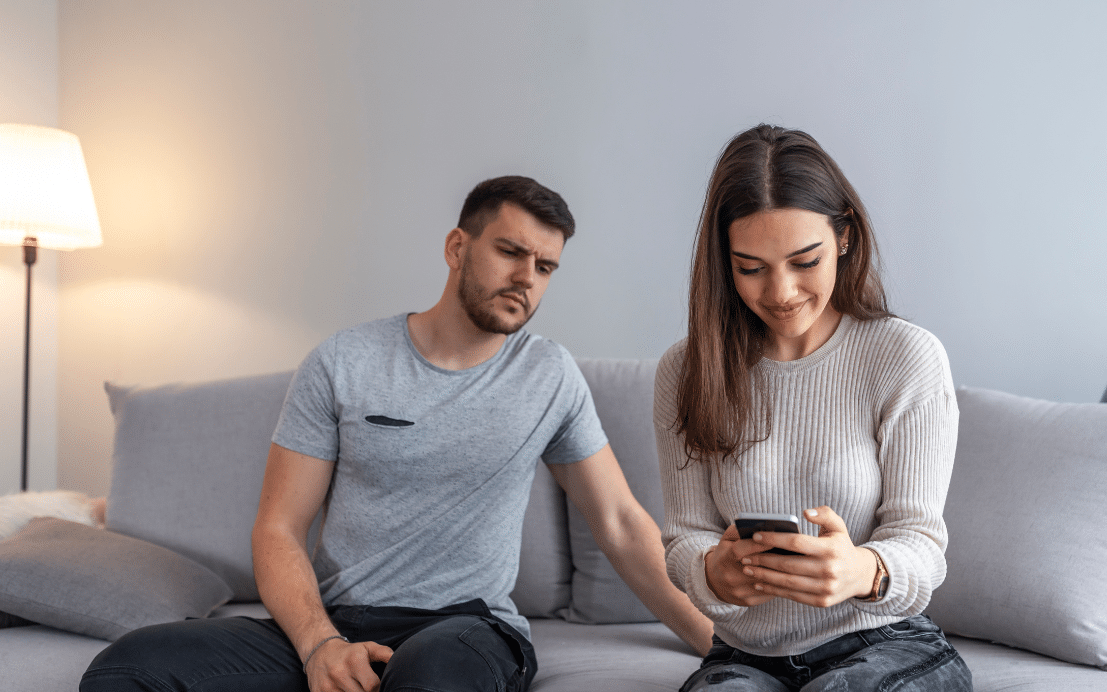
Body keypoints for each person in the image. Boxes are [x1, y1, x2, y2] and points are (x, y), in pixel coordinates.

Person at [81, 175, 713, 692]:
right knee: (129, 667)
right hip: (336, 622)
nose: (527, 277)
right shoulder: (343, 362)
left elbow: (621, 523)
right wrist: (320, 644)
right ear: (457, 248)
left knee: (430, 676)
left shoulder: (549, 376)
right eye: (511, 252)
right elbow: (277, 528)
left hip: (468, 629)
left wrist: (719, 641)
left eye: (545, 266)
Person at [654, 126, 973, 691]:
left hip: (884, 643)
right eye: (750, 267)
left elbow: (920, 541)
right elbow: (684, 536)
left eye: (805, 261)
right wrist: (713, 573)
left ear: (844, 236)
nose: (780, 293)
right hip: (745, 656)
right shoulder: (686, 370)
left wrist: (864, 572)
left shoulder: (905, 355)